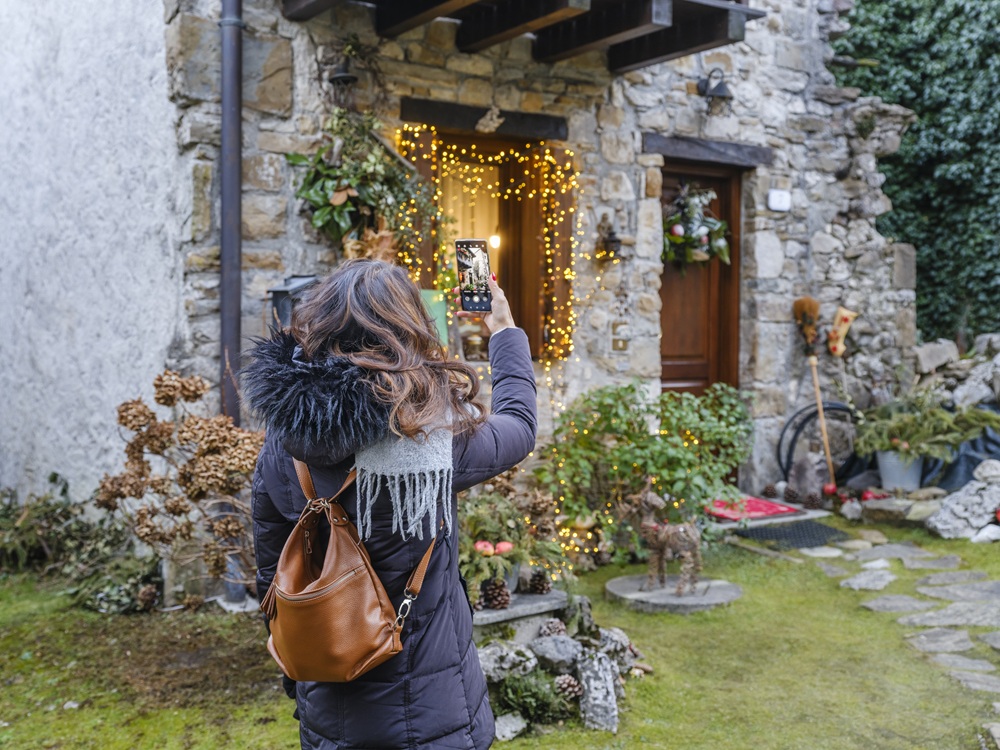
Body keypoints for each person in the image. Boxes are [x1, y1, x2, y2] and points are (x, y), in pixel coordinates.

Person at [242, 258, 537, 749]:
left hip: (328, 702)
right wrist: (503, 329)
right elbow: (520, 425)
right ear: (409, 330)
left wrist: (298, 679)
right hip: (436, 714)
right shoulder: (432, 440)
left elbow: (274, 578)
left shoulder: (283, 440)